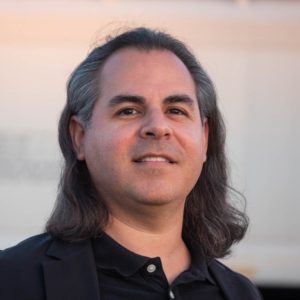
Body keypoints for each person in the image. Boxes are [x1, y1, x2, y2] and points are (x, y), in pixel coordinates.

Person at [0, 27, 262, 300]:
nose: (158, 127)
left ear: (205, 139)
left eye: (176, 110)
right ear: (80, 137)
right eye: (129, 110)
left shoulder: (240, 293)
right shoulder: (11, 280)